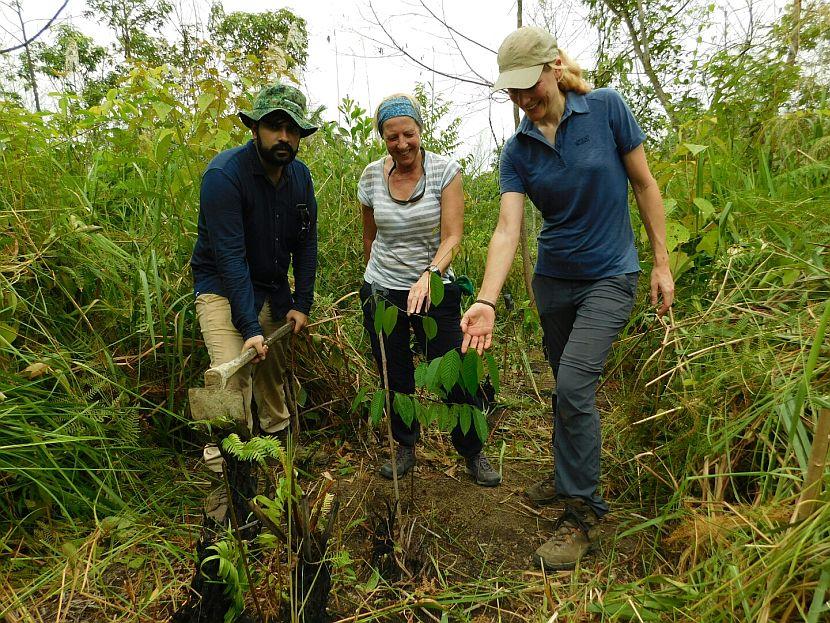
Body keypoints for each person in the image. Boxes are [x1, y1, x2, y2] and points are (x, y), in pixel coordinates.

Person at [461, 27, 675, 569]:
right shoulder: (518, 150)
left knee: (576, 385)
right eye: (512, 92)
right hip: (553, 283)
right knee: (565, 386)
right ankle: (565, 475)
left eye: (529, 86)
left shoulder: (606, 109)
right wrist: (486, 298)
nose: (523, 100)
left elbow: (645, 184)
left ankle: (583, 512)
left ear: (554, 67)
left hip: (610, 275)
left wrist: (661, 261)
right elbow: (508, 230)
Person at [190, 82, 319, 523]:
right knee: (230, 386)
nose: (283, 137)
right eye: (274, 127)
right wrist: (249, 330)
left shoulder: (300, 178)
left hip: (272, 289)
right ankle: (225, 503)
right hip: (223, 290)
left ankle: (281, 472)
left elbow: (306, 245)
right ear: (256, 128)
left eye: (292, 129)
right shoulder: (225, 176)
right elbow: (230, 258)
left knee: (272, 383)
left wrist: (301, 302)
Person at [358, 93, 501, 487]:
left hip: (434, 290)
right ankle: (405, 446)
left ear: (420, 130)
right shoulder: (372, 176)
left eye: (408, 133)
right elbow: (369, 239)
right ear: (382, 138)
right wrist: (373, 282)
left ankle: (472, 450)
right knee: (395, 370)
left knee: (454, 370)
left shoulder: (445, 172)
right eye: (392, 137)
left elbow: (453, 236)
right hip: (382, 290)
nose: (402, 144)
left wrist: (429, 274)